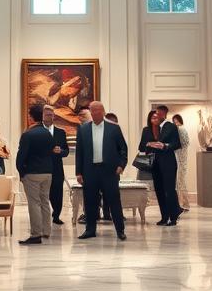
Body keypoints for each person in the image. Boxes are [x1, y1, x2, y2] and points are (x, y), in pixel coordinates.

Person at [74, 101, 127, 241]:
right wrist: (78, 172)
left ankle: (120, 230)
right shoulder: (83, 129)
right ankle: (90, 230)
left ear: (103, 112)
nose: (95, 113)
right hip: (89, 171)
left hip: (109, 171)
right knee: (90, 201)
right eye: (93, 111)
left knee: (114, 201)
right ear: (90, 113)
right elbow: (79, 153)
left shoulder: (114, 128)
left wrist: (121, 165)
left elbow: (123, 149)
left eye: (98, 110)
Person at [15, 104, 55, 245]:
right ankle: (46, 231)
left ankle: (36, 234)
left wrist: (21, 172)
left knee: (34, 203)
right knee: (45, 201)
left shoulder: (28, 134)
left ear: (31, 117)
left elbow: (21, 156)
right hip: (47, 172)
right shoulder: (48, 133)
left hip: (32, 173)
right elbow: (51, 152)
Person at [140, 104, 182, 226]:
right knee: (159, 191)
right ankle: (164, 217)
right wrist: (149, 144)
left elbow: (177, 144)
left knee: (169, 190)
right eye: (155, 115)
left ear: (163, 115)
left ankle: (173, 217)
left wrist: (165, 146)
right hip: (154, 164)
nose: (156, 116)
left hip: (168, 163)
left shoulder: (171, 127)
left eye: (158, 114)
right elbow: (141, 146)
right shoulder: (148, 129)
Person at [43, 105, 69, 225]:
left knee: (58, 193)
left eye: (51, 114)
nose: (50, 116)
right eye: (47, 114)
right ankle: (44, 216)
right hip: (42, 168)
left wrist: (61, 152)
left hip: (57, 169)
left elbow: (66, 151)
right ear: (42, 116)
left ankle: (56, 215)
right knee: (43, 194)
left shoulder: (61, 132)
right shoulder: (38, 131)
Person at [172, 112, 191, 214]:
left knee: (180, 182)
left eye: (176, 120)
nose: (175, 123)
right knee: (180, 182)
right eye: (174, 121)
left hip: (181, 160)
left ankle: (184, 204)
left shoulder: (181, 129)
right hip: (181, 159)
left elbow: (185, 143)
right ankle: (183, 204)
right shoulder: (181, 129)